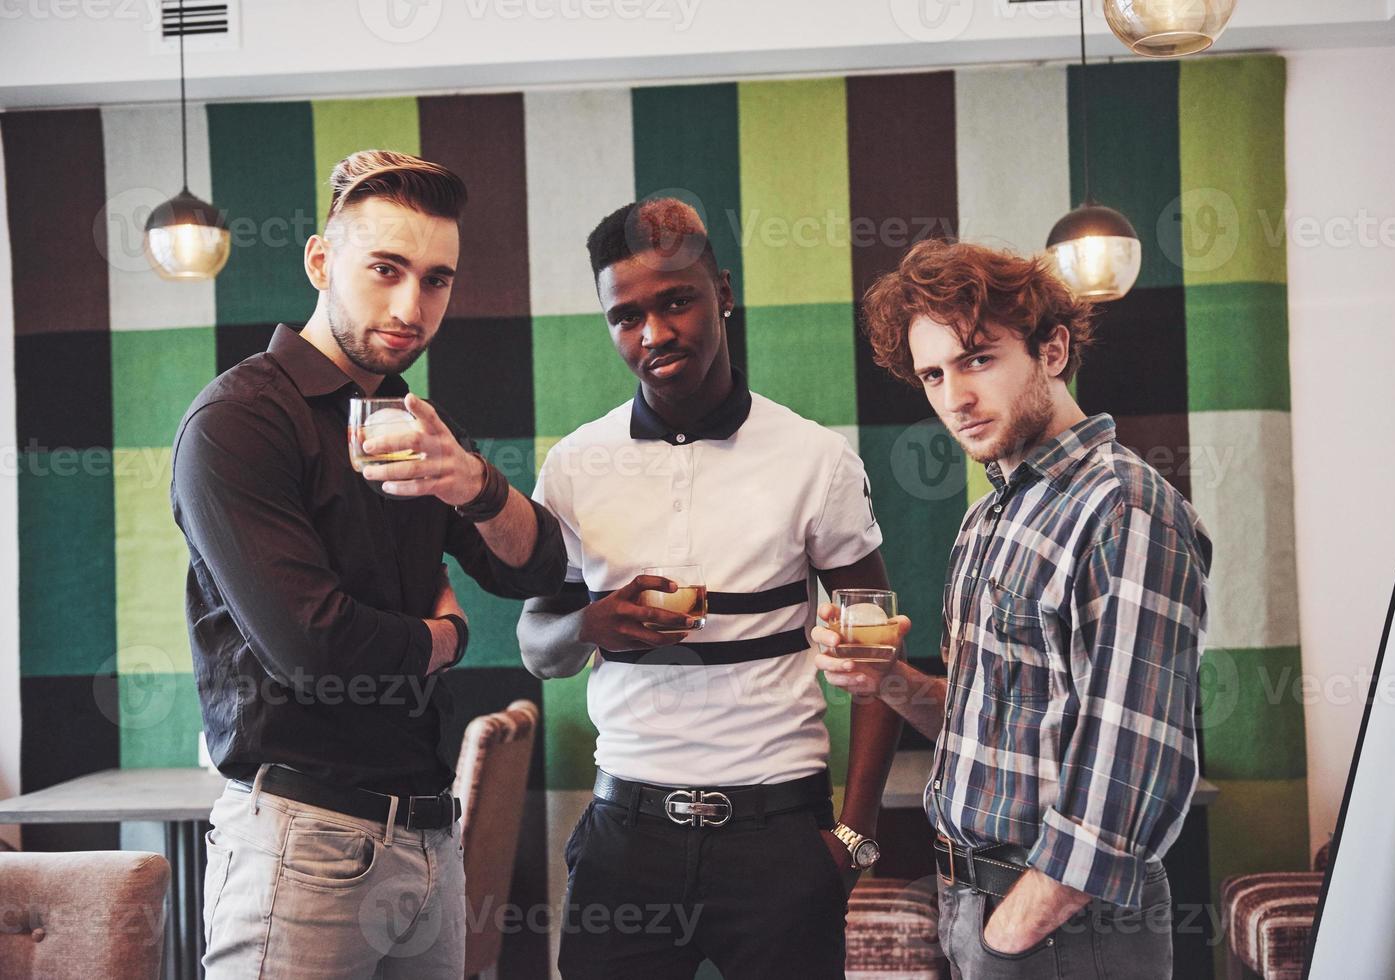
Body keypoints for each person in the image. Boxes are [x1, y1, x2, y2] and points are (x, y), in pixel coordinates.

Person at [171, 149, 567, 978]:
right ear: (320, 259)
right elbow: (315, 648)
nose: (409, 305)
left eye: (435, 280)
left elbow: (533, 569)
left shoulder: (410, 419)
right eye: (384, 269)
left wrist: (473, 482)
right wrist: (447, 638)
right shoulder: (239, 422)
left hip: (429, 834)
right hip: (302, 840)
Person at [517, 198, 903, 979]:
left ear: (721, 292)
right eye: (625, 316)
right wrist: (592, 624)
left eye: (675, 301)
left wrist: (853, 838)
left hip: (780, 839)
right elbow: (537, 648)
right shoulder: (574, 467)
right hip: (625, 834)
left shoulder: (814, 460)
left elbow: (876, 665)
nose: (653, 333)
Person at [815, 239, 1210, 978]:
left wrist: (1010, 935)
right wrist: (888, 680)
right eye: (932, 374)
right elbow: (987, 729)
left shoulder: (1122, 508)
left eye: (976, 360)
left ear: (1052, 350)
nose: (953, 399)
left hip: (1065, 925)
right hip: (978, 903)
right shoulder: (990, 517)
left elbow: (1131, 767)